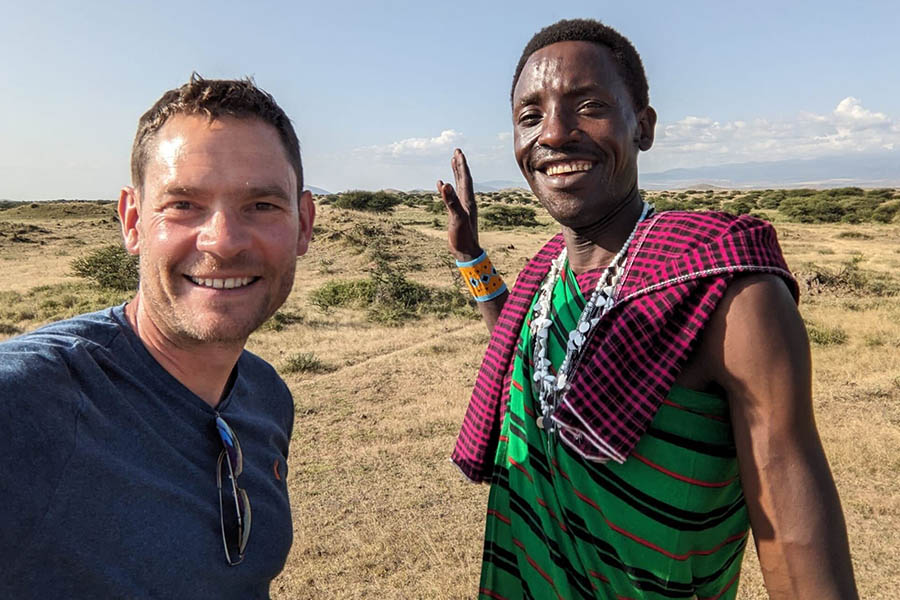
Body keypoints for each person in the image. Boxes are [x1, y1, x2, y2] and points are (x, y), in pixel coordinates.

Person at [438, 19, 858, 600]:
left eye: (588, 106)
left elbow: (792, 537)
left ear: (645, 127)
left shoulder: (726, 289)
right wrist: (470, 256)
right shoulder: (545, 273)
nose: (554, 134)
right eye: (530, 117)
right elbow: (520, 350)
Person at [0, 75, 315, 599]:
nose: (224, 241)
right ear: (132, 220)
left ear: (303, 224)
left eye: (261, 205)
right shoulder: (32, 401)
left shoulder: (266, 395)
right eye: (183, 204)